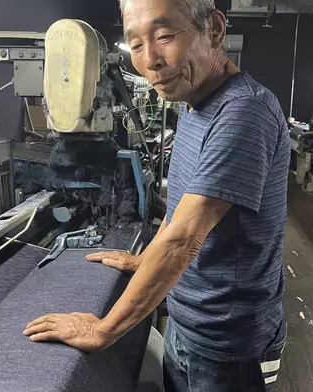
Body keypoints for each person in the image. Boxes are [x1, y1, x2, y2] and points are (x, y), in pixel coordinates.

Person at [22, 0, 290, 390]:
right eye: (135, 44)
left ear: (215, 30)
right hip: (191, 326)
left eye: (164, 36)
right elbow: (181, 206)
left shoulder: (242, 112)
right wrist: (145, 260)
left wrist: (103, 330)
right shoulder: (195, 104)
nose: (150, 61)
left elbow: (184, 236)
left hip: (228, 348)